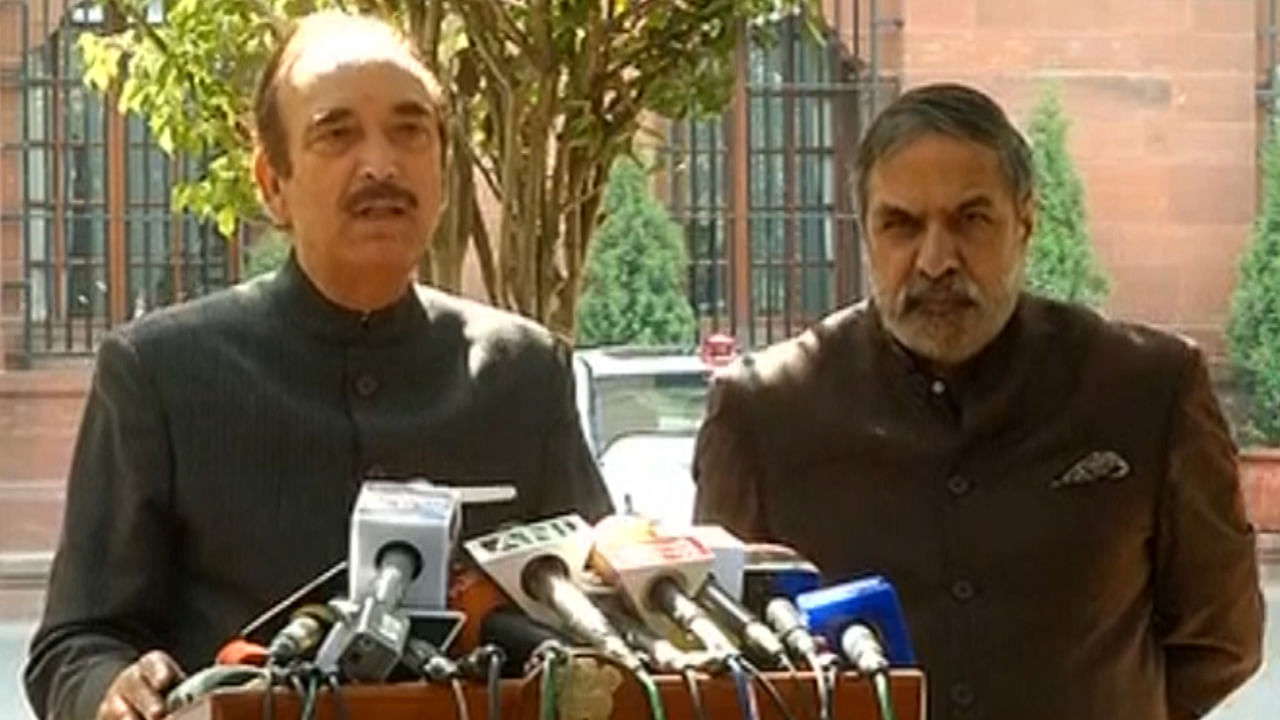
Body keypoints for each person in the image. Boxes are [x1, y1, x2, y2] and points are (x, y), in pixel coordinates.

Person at [25, 11, 612, 720]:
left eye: (409, 130)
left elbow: (600, 614)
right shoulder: (159, 374)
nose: (381, 165)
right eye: (337, 133)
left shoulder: (523, 374)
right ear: (272, 182)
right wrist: (112, 692)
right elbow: (75, 644)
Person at [693, 83, 1263, 720]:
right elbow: (722, 655)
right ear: (865, 232)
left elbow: (1221, 639)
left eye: (971, 220)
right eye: (902, 225)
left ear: (1025, 222)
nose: (936, 260)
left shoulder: (1147, 391)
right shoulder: (763, 413)